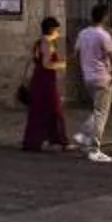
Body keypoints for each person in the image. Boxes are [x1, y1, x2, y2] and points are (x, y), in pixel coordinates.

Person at [75, 3, 112, 162]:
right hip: (102, 77)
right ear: (104, 17)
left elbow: (76, 53)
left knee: (97, 110)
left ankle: (83, 135)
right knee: (101, 114)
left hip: (88, 77)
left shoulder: (83, 33)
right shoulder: (103, 35)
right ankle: (94, 148)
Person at [20, 17, 74, 153]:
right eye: (56, 30)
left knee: (38, 112)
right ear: (51, 30)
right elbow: (47, 64)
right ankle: (61, 141)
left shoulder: (39, 43)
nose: (58, 33)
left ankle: (34, 141)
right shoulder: (47, 43)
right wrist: (62, 64)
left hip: (38, 81)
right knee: (54, 110)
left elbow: (32, 61)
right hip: (46, 82)